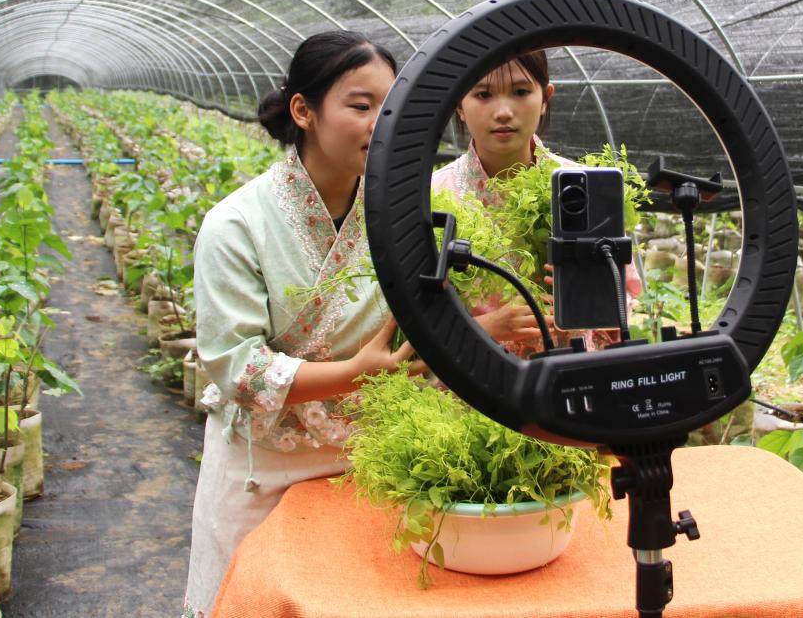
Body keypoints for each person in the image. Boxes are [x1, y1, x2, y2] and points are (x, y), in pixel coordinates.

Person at [183, 31, 420, 618]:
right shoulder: (235, 223)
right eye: (360, 106)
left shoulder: (400, 214)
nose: (377, 124)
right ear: (303, 111)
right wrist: (354, 374)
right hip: (264, 466)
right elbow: (238, 365)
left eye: (388, 110)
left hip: (367, 459)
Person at [431, 51, 641, 356]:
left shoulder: (585, 185)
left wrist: (591, 300)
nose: (503, 111)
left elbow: (621, 303)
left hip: (572, 374)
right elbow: (414, 315)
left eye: (520, 92)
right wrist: (487, 325)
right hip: (472, 384)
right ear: (459, 105)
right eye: (483, 94)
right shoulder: (434, 196)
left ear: (545, 98)